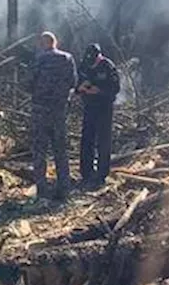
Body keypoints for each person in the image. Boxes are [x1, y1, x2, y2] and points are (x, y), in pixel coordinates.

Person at [30, 31, 77, 198]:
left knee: (39, 151)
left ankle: (42, 189)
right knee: (60, 149)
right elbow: (73, 83)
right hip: (59, 111)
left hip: (40, 111)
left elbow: (30, 82)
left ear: (43, 44)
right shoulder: (67, 59)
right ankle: (64, 187)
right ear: (55, 42)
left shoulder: (39, 60)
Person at [76, 42, 119, 188]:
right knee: (87, 139)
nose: (91, 64)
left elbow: (115, 88)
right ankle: (86, 172)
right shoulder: (83, 65)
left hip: (104, 108)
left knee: (103, 141)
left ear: (99, 56)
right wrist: (80, 88)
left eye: (93, 60)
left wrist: (99, 90)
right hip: (89, 107)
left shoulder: (108, 66)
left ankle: (102, 174)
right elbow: (75, 83)